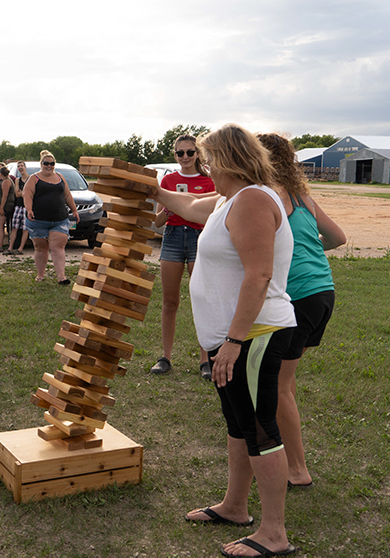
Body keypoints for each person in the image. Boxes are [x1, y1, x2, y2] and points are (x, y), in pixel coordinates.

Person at [148, 124, 298, 557]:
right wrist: (154, 190)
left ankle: (274, 533)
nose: (205, 164)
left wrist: (232, 341)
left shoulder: (252, 199)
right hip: (234, 337)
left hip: (254, 334)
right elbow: (190, 205)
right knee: (238, 424)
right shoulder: (229, 199)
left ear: (228, 158)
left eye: (209, 157)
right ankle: (235, 506)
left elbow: (260, 274)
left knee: (257, 427)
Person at [258, 133, 346, 489]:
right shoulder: (301, 195)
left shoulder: (274, 196)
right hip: (323, 293)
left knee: (277, 385)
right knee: (287, 379)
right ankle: (285, 450)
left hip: (298, 299)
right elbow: (338, 238)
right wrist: (309, 256)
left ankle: (297, 469)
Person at [150, 134, 216, 378]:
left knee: (202, 300)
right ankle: (165, 357)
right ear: (175, 155)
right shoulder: (168, 180)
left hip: (200, 238)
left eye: (190, 152)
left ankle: (205, 360)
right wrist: (169, 208)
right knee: (170, 302)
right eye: (180, 153)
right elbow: (156, 222)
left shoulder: (209, 181)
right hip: (173, 237)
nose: (185, 157)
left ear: (197, 153)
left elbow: (216, 216)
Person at [23, 150, 79, 284]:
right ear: (41, 164)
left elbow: (67, 195)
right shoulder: (34, 178)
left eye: (52, 163)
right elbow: (27, 194)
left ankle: (61, 277)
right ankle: (40, 275)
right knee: (41, 248)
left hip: (59, 219)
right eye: (46, 163)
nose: (49, 166)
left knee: (57, 247)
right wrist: (29, 209)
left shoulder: (60, 177)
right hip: (38, 220)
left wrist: (74, 210)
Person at [5, 161, 30, 255]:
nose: (20, 167)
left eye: (21, 166)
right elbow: (17, 194)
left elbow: (32, 193)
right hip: (18, 206)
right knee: (14, 227)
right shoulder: (17, 180)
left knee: (25, 228)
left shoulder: (31, 179)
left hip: (27, 206)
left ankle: (20, 248)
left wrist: (22, 192)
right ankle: (10, 247)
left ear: (25, 167)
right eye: (18, 166)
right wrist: (26, 192)